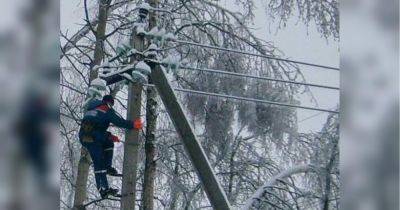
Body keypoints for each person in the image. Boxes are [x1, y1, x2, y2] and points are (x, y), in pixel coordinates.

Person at [79, 95, 143, 198]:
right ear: (109, 103)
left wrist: (109, 136)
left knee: (108, 143)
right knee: (98, 162)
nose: (111, 107)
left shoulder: (92, 107)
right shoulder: (106, 109)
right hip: (93, 138)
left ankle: (107, 167)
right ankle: (103, 189)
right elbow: (118, 121)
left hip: (87, 136)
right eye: (111, 105)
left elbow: (96, 125)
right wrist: (133, 125)